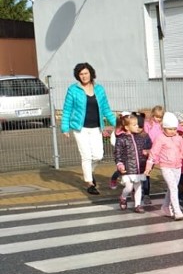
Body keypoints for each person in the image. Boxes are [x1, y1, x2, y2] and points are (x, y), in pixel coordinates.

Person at [60, 62, 116, 195]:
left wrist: (118, 124)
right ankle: (89, 183)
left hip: (96, 127)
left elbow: (106, 109)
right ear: (77, 76)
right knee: (86, 156)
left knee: (98, 155)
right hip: (80, 128)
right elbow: (67, 110)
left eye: (86, 73)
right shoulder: (73, 90)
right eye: (81, 74)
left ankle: (89, 172)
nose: (84, 76)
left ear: (91, 73)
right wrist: (65, 127)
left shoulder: (99, 89)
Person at [143, 111, 183, 219]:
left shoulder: (179, 139)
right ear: (163, 128)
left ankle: (165, 206)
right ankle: (177, 210)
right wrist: (148, 167)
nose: (173, 131)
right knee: (174, 187)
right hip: (166, 166)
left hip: (177, 167)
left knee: (172, 188)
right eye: (170, 129)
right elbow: (153, 153)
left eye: (174, 129)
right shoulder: (160, 139)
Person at [113, 112, 151, 212]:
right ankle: (123, 197)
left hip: (139, 168)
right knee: (129, 188)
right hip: (128, 168)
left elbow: (145, 148)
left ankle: (138, 205)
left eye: (137, 124)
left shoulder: (140, 137)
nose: (137, 126)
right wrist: (120, 164)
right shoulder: (121, 139)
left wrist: (147, 152)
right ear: (126, 127)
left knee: (138, 187)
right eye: (134, 125)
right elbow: (118, 153)